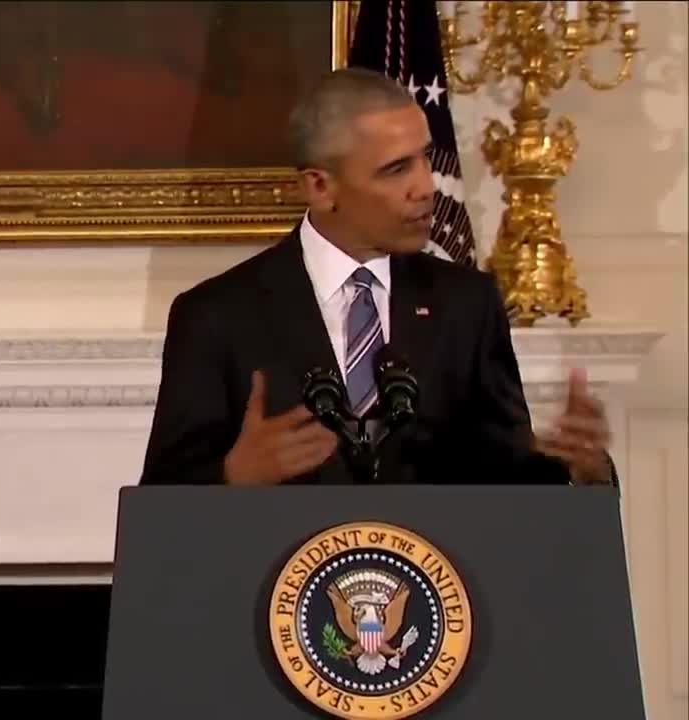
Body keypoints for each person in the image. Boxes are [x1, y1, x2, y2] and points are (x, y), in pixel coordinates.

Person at [139, 68, 614, 488]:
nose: (425, 187)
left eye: (424, 158)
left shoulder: (466, 304)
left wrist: (580, 468)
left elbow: (505, 483)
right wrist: (235, 477)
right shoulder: (216, 316)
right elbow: (160, 510)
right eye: (396, 169)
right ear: (321, 187)